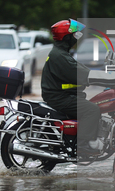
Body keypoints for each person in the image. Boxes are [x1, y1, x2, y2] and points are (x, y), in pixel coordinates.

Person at [41, 19, 103, 156]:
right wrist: (99, 78)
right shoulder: (59, 56)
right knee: (92, 110)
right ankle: (83, 145)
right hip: (60, 97)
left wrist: (106, 77)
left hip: (62, 95)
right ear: (66, 37)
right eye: (75, 35)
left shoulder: (61, 53)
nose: (76, 38)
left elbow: (81, 69)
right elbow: (80, 73)